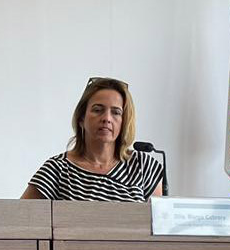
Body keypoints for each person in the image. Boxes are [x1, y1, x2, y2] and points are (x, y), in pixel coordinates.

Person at [22, 77, 163, 201]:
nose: (107, 118)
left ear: (124, 121)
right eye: (97, 110)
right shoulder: (57, 169)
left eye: (116, 112)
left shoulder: (143, 166)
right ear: (81, 118)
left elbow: (158, 221)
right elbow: (20, 217)